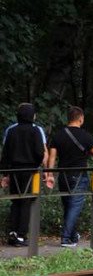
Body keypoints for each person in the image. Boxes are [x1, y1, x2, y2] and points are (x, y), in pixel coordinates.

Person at [47, 106, 93, 247]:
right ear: (81, 119)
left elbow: (52, 157)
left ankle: (72, 235)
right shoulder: (86, 136)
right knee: (75, 207)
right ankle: (66, 238)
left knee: (67, 206)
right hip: (79, 176)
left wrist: (50, 174)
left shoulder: (58, 135)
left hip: (63, 176)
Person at [0, 103, 47, 247]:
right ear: (32, 115)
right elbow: (40, 152)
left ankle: (12, 232)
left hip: (14, 170)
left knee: (15, 201)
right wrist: (37, 165)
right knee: (26, 202)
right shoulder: (35, 131)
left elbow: (6, 152)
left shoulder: (11, 130)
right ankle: (21, 234)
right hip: (29, 170)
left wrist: (5, 172)